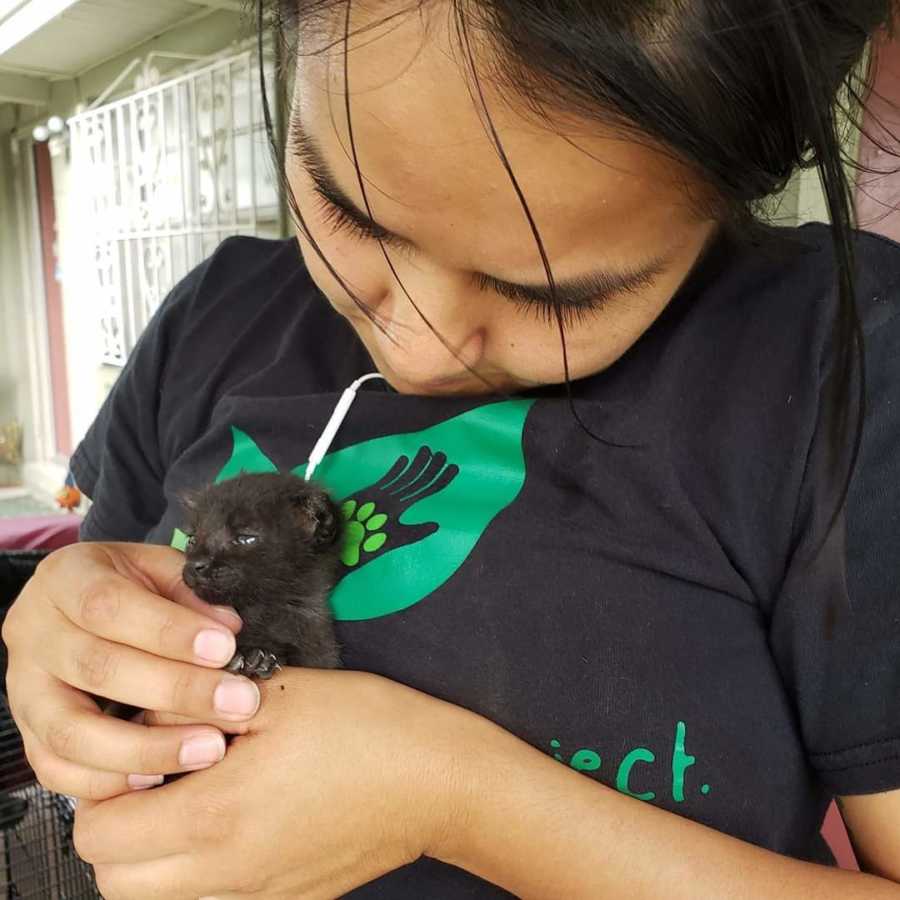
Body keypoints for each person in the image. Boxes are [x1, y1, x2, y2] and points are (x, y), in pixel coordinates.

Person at [4, 1, 900, 897]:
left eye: (556, 297)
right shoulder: (212, 318)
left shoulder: (844, 366)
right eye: (351, 216)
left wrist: (456, 803)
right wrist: (67, 652)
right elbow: (104, 629)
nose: (416, 350)